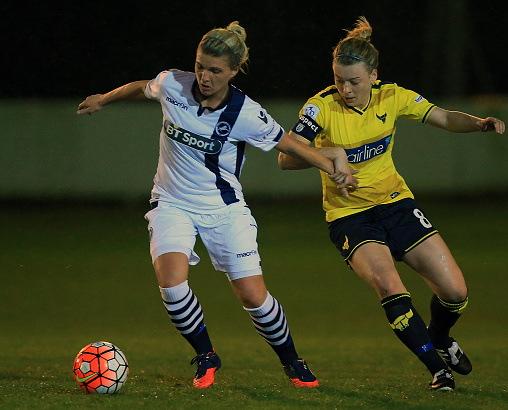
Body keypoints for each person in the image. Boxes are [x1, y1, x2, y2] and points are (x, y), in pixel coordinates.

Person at [77, 21, 357, 389]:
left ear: (234, 71)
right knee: (171, 283)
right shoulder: (173, 83)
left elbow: (287, 144)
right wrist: (104, 98)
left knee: (254, 297)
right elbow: (142, 88)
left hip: (224, 209)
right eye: (200, 66)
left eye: (214, 70)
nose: (204, 77)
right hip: (172, 202)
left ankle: (292, 360)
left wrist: (332, 166)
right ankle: (206, 355)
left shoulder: (245, 113)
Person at [278, 17, 505, 392]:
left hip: (397, 203)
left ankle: (441, 339)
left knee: (455, 293)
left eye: (354, 81)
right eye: (339, 81)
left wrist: (478, 123)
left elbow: (445, 117)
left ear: (373, 75)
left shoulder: (393, 96)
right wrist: (327, 156)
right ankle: (438, 369)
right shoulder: (319, 108)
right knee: (389, 285)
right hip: (350, 215)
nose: (345, 89)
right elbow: (286, 157)